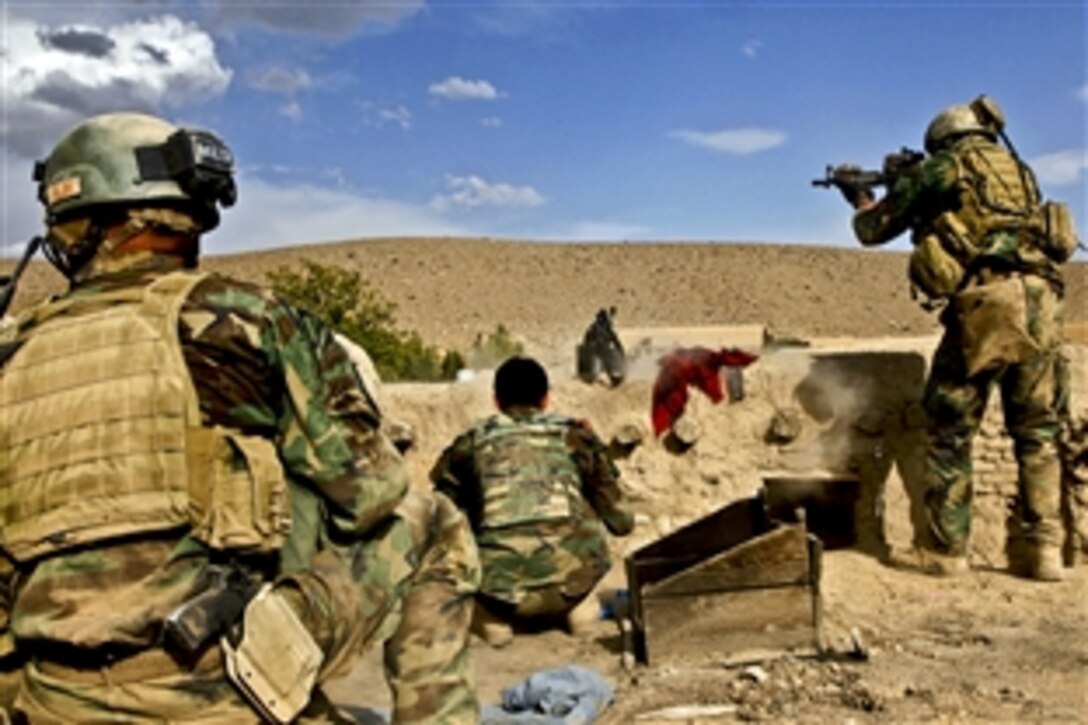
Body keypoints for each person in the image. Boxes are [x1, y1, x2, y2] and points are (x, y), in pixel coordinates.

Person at [0, 111, 480, 723]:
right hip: (224, 687)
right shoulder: (248, 320)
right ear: (188, 217)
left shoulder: (10, 353)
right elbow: (370, 491)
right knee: (429, 517)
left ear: (71, 225)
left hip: (51, 700)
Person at [839, 96, 1075, 581]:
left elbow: (873, 229)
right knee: (1038, 433)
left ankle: (948, 551)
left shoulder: (945, 169)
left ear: (941, 141)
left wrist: (861, 197)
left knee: (948, 426)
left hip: (990, 305)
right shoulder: (1018, 172)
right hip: (1043, 306)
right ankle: (1044, 552)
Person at [429, 356, 635, 647]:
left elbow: (439, 513)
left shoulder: (471, 443)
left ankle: (491, 623)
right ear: (546, 398)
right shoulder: (575, 435)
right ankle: (580, 614)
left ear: (497, 401)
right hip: (572, 588)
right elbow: (622, 522)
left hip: (497, 594)